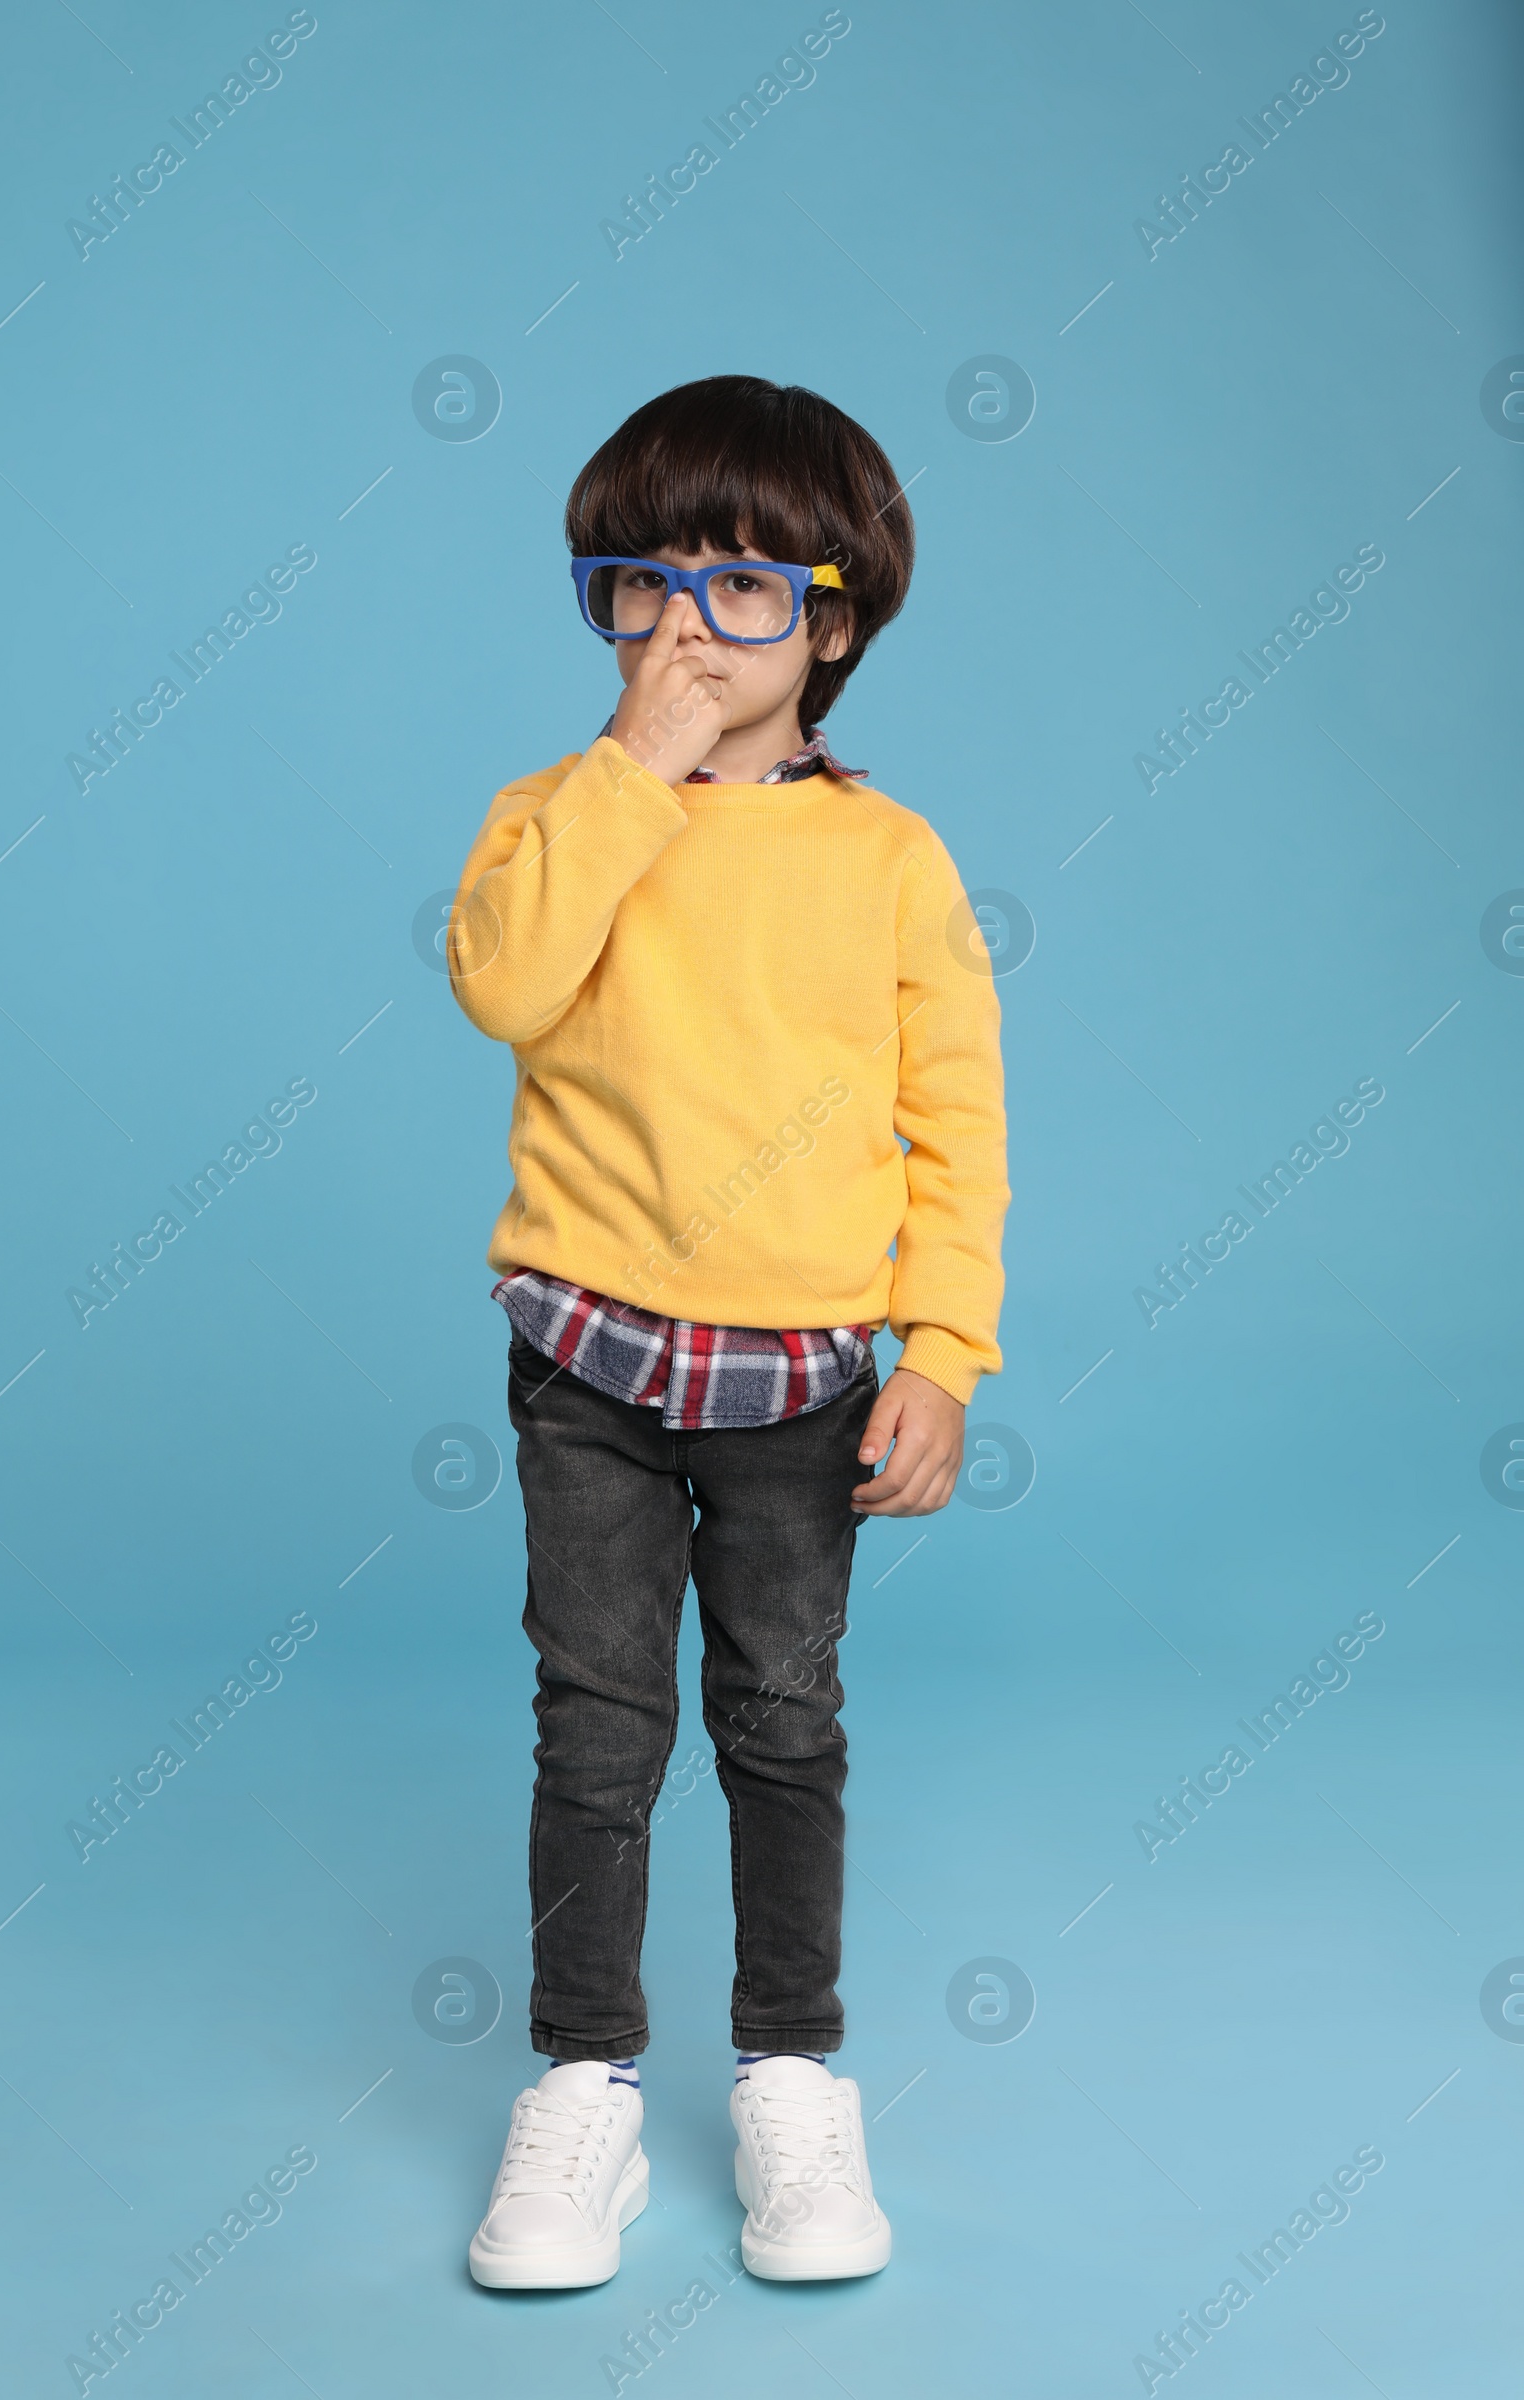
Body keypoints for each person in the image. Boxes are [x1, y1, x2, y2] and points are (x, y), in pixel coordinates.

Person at [448, 374, 1009, 2289]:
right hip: (590, 1365)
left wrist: (943, 1349)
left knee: (782, 1724)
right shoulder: (556, 818)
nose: (689, 629)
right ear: (601, 609)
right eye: (644, 584)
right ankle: (584, 2088)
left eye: (746, 591)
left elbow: (961, 1127)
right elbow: (510, 988)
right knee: (594, 1729)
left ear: (833, 625)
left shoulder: (892, 861)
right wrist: (627, 765)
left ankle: (792, 2074)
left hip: (801, 1385)